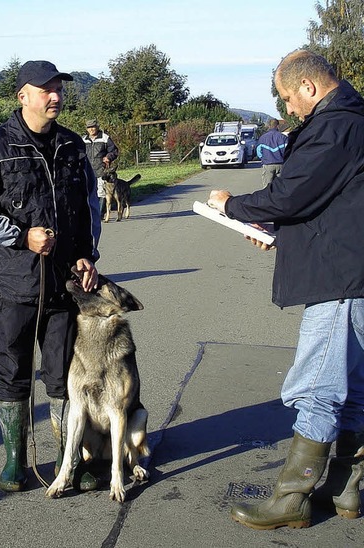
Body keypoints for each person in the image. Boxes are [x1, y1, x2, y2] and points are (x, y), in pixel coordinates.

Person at [207, 49, 364, 530]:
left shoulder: (335, 127)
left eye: (288, 97)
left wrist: (233, 205)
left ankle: (292, 497)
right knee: (353, 388)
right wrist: (278, 231)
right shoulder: (351, 121)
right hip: (351, 269)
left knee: (316, 387)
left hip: (337, 276)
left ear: (310, 88)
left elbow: (292, 193)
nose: (288, 108)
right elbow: (324, 200)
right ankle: (345, 488)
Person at [0, 60, 102, 492]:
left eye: (58, 88)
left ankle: (67, 461)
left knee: (61, 375)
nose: (55, 96)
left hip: (63, 285)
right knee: (14, 370)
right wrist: (21, 236)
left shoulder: (74, 146)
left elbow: (90, 207)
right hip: (13, 282)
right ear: (23, 96)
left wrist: (86, 255)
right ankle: (14, 463)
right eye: (46, 89)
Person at [82, 119, 119, 218]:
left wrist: (109, 157)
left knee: (101, 192)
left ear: (97, 127)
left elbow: (114, 151)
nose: (91, 129)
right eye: (89, 127)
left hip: (101, 169)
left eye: (93, 127)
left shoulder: (105, 138)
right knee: (87, 192)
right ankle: (90, 214)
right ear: (87, 129)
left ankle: (99, 214)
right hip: (86, 170)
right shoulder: (83, 139)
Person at [255, 118, 287, 187]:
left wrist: (263, 158)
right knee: (281, 187)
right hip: (281, 165)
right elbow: (288, 151)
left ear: (269, 126)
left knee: (267, 188)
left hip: (268, 164)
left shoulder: (263, 138)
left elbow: (258, 152)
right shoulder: (283, 137)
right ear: (278, 126)